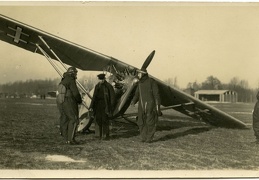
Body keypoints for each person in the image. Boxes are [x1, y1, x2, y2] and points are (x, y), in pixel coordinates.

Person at [131, 68, 162, 143]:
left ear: (143, 74)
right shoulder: (139, 83)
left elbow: (156, 95)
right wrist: (133, 101)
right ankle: (143, 137)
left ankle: (149, 138)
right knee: (141, 121)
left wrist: (157, 106)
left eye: (139, 73)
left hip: (150, 105)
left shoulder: (152, 82)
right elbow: (137, 94)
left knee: (150, 121)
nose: (138, 75)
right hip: (141, 106)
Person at [56, 66, 82, 145]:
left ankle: (65, 137)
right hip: (69, 101)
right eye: (75, 73)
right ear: (73, 73)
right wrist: (79, 100)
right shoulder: (71, 80)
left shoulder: (63, 80)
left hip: (61, 102)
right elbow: (75, 93)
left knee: (65, 119)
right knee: (73, 119)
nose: (76, 75)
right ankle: (70, 139)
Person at [89, 73, 115, 140]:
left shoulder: (108, 86)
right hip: (98, 105)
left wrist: (111, 107)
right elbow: (94, 97)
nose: (101, 81)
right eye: (100, 80)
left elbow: (112, 98)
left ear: (104, 79)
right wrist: (91, 106)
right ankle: (98, 135)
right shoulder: (97, 86)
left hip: (105, 105)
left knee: (105, 120)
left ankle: (105, 135)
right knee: (98, 119)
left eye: (102, 79)